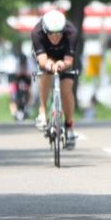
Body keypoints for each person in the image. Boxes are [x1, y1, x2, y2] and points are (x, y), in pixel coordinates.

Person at [31, 10, 79, 149]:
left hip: (64, 57)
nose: (55, 37)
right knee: (46, 73)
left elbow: (69, 60)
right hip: (46, 56)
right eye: (51, 34)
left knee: (66, 89)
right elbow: (42, 60)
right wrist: (49, 64)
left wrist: (63, 64)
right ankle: (42, 111)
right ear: (45, 30)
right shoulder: (37, 33)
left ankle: (69, 126)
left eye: (59, 33)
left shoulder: (72, 32)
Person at [9, 54, 33, 121]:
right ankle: (14, 110)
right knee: (12, 93)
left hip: (26, 79)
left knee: (30, 91)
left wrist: (25, 73)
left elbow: (30, 74)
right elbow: (15, 74)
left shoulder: (29, 64)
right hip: (17, 80)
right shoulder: (17, 63)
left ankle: (28, 106)